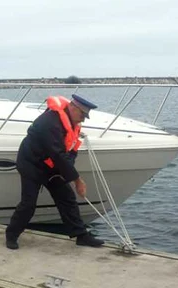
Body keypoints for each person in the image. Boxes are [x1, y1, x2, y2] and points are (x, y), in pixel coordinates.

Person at [6, 94, 105, 249]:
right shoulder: (50, 122)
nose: (83, 120)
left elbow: (71, 151)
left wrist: (66, 173)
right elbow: (57, 154)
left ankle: (81, 235)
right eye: (82, 115)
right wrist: (77, 180)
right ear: (72, 107)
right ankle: (11, 235)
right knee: (28, 203)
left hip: (51, 167)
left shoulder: (72, 124)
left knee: (67, 198)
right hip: (31, 164)